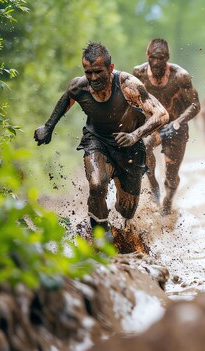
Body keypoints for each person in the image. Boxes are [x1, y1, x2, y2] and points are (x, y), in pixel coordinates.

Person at [34, 42, 169, 237]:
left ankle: (119, 214)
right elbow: (68, 98)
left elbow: (162, 114)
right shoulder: (79, 86)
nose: (93, 78)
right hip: (97, 140)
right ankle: (100, 238)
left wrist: (135, 135)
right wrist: (48, 126)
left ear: (110, 68)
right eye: (88, 72)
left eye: (98, 72)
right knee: (97, 185)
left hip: (129, 146)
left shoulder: (128, 86)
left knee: (126, 211)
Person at [132, 38, 200, 215]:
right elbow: (131, 102)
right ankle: (152, 183)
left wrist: (177, 122)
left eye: (161, 58)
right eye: (153, 57)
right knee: (145, 146)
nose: (156, 62)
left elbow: (195, 105)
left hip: (177, 126)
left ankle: (167, 204)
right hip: (154, 125)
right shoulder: (138, 74)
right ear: (147, 55)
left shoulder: (180, 76)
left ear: (168, 57)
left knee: (171, 175)